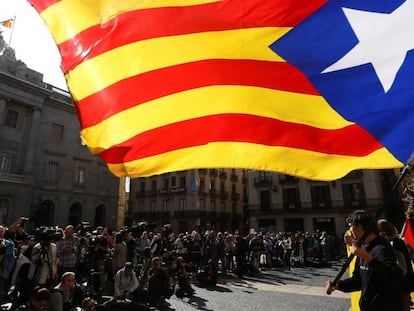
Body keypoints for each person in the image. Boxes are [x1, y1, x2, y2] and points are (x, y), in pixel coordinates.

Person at [326, 210, 403, 311]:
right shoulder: (363, 248)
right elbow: (358, 281)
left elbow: (393, 277)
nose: (350, 231)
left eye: (351, 226)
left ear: (360, 227)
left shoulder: (381, 247)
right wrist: (338, 285)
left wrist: (366, 256)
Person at [377, 218, 414, 311]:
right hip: (405, 285)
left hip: (401, 287)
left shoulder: (394, 245)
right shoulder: (398, 241)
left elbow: (402, 270)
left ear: (382, 232)